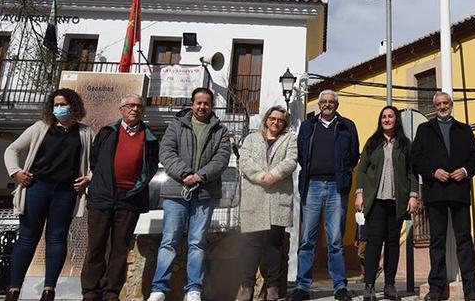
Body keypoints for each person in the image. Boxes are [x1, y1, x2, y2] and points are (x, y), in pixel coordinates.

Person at [3, 88, 94, 301]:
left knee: (57, 238)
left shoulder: (85, 132)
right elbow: (12, 149)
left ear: (73, 106)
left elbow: (96, 162)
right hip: (37, 187)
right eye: (56, 105)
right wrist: (16, 172)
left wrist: (88, 177)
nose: (59, 108)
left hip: (65, 191)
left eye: (63, 104)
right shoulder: (40, 127)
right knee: (27, 237)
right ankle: (14, 288)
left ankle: (49, 289)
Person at [146, 88, 232, 301]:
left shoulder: (220, 130)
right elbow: (166, 152)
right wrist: (184, 174)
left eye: (206, 103)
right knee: (169, 241)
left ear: (211, 106)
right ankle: (159, 289)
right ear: (192, 104)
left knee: (197, 242)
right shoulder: (176, 125)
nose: (202, 106)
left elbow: (222, 159)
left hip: (205, 193)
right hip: (176, 191)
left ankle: (193, 289)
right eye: (198, 103)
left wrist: (201, 176)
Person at [82, 94, 159, 301]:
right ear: (121, 109)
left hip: (130, 198)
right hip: (103, 195)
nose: (134, 109)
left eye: (139, 106)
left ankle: (111, 292)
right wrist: (102, 183)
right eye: (130, 105)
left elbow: (151, 166)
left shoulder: (149, 137)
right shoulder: (107, 132)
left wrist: (136, 186)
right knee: (96, 245)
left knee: (120, 247)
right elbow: (95, 160)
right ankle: (90, 291)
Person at [410, 92, 475, 301]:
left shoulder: (464, 129)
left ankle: (471, 289)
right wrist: (433, 171)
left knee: (464, 241)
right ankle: (436, 289)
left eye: (445, 103)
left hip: (459, 192)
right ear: (434, 107)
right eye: (439, 104)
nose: (442, 106)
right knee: (437, 241)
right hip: (436, 193)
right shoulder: (424, 129)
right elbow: (415, 159)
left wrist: (465, 170)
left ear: (451, 105)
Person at [291, 90, 360, 301]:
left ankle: (340, 287)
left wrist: (344, 173)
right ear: (319, 104)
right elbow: (301, 153)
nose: (327, 104)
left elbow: (354, 155)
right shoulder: (308, 125)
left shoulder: (347, 126)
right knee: (307, 239)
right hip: (312, 186)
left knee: (336, 240)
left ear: (336, 105)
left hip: (336, 187)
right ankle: (302, 286)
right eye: (324, 102)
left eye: (331, 102)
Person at [354, 106, 420, 301]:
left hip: (396, 201)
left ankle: (390, 285)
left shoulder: (405, 144)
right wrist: (360, 194)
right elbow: (362, 170)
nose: (387, 119)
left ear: (396, 120)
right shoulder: (372, 143)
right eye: (384, 116)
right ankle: (369, 285)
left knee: (392, 244)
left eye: (390, 116)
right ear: (380, 120)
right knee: (374, 243)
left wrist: (413, 195)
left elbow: (412, 173)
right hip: (375, 202)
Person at [238, 106, 298, 301]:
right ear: (266, 120)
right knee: (251, 245)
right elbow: (244, 161)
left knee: (274, 245)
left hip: (277, 197)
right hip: (254, 196)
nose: (276, 122)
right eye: (273, 118)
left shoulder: (290, 139)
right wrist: (261, 175)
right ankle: (247, 286)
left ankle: (272, 287)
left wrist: (274, 175)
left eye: (280, 120)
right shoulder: (251, 138)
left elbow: (291, 161)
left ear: (284, 123)